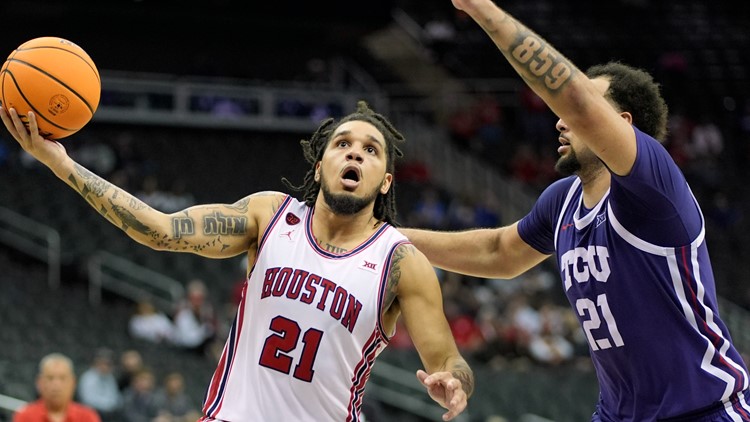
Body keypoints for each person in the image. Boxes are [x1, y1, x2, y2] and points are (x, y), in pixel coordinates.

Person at [1, 100, 473, 421]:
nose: (355, 152)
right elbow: (161, 230)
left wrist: (455, 382)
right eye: (343, 143)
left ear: (385, 181)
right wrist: (58, 162)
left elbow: (447, 358)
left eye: (371, 150)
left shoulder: (399, 262)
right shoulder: (270, 216)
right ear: (319, 165)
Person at [398, 0, 750, 420]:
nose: (560, 121)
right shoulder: (562, 199)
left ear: (621, 123)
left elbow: (578, 100)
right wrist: (388, 238)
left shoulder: (654, 186)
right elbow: (499, 252)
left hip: (701, 411)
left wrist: (484, 10)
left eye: (572, 114)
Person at [13, 353, 101, 422]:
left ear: (73, 383)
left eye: (62, 378)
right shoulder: (25, 416)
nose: (56, 384)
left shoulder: (87, 417)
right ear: (39, 382)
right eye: (50, 378)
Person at [76, 348, 123, 421]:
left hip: (109, 412)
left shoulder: (110, 377)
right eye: (103, 363)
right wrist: (107, 406)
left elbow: (115, 397)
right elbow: (88, 400)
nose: (105, 366)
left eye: (108, 364)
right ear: (96, 363)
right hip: (92, 411)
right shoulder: (88, 377)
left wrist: (111, 406)